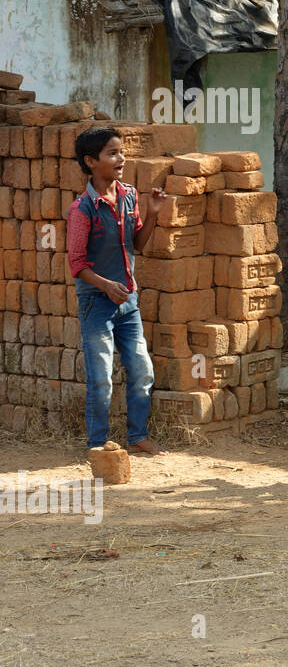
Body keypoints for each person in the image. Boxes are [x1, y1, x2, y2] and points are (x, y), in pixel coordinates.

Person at [66, 127, 168, 455]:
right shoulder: (82, 210)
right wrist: (107, 286)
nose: (121, 158)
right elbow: (77, 264)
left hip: (128, 302)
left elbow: (137, 244)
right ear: (91, 162)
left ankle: (137, 437)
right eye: (112, 153)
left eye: (121, 151)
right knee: (101, 379)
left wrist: (151, 215)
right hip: (96, 302)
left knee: (142, 370)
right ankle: (98, 445)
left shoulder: (128, 196)